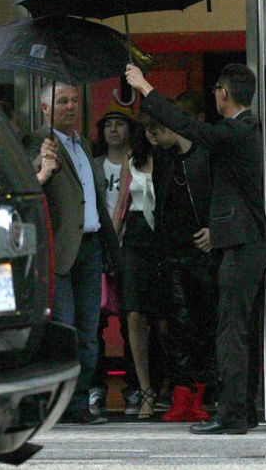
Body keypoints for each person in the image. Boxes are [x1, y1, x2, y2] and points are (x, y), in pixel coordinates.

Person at [125, 63, 266, 434]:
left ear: (225, 92)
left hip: (240, 242)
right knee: (243, 329)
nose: (214, 95)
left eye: (217, 88)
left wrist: (144, 87)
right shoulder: (247, 129)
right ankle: (245, 410)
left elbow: (187, 126)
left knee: (231, 329)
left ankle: (233, 413)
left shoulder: (235, 130)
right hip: (246, 239)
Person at [23, 81, 121, 425]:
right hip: (60, 251)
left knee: (89, 332)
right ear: (45, 109)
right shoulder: (39, 143)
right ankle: (57, 406)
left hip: (91, 248)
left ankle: (77, 405)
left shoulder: (82, 145)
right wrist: (43, 170)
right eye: (61, 101)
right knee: (64, 331)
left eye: (74, 100)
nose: (70, 106)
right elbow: (24, 192)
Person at [140, 108, 219, 423]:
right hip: (172, 249)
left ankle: (196, 393)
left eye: (155, 133)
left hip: (200, 248)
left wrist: (216, 229)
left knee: (202, 323)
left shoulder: (206, 155)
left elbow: (221, 195)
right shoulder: (165, 159)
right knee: (177, 324)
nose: (153, 140)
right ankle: (183, 393)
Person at [89, 100, 141, 416]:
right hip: (98, 248)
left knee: (131, 321)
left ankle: (136, 387)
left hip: (130, 248)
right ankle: (95, 387)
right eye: (108, 123)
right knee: (94, 322)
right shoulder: (93, 165)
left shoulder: (139, 163)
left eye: (120, 123)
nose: (113, 129)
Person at [112, 124, 160, 420]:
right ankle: (146, 391)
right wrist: (110, 246)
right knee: (133, 314)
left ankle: (171, 383)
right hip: (136, 238)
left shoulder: (172, 157)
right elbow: (120, 206)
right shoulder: (130, 159)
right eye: (150, 128)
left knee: (165, 319)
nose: (153, 133)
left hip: (164, 237)